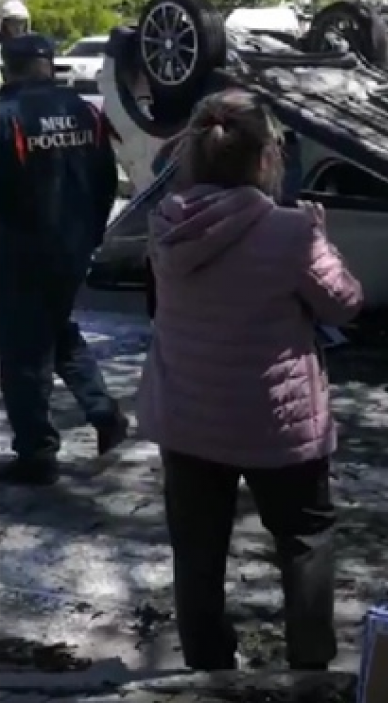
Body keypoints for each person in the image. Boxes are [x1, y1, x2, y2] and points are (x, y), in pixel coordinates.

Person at [136, 89, 363, 672]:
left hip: (187, 418)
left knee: (198, 553)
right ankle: (310, 669)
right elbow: (344, 304)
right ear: (266, 159)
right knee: (305, 540)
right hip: (276, 422)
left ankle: (209, 670)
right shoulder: (291, 231)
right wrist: (322, 236)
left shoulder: (167, 225)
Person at [0, 33, 128, 486]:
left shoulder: (6, 114)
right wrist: (90, 234)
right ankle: (104, 412)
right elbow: (107, 180)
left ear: (7, 65)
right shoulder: (84, 111)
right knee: (54, 330)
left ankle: (37, 452)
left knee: (20, 353)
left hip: (18, 253)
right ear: (50, 64)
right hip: (72, 247)